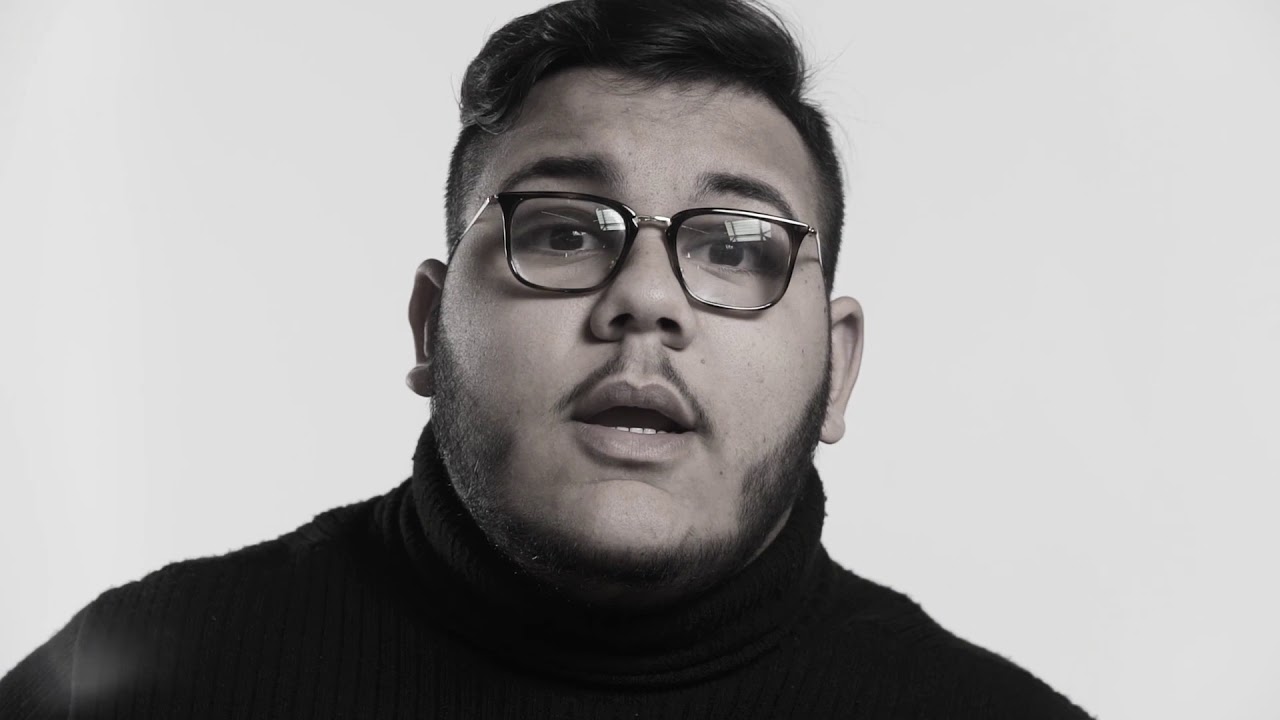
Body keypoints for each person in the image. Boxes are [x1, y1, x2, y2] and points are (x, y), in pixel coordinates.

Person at [0, 0, 1093, 717]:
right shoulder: (129, 684)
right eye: (564, 231)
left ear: (838, 370)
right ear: (429, 327)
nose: (645, 300)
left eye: (733, 247)